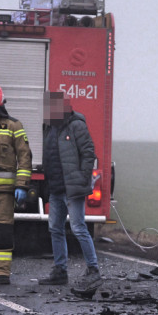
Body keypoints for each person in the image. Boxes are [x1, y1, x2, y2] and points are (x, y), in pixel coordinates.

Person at [38, 92, 100, 287]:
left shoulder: (76, 125)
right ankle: (60, 271)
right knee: (55, 228)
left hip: (72, 188)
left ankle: (93, 269)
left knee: (78, 228)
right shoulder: (49, 127)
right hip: (56, 187)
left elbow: (89, 153)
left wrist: (82, 178)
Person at [0, 84, 33, 285]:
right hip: (5, 192)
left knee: (2, 232)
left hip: (4, 193)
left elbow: (24, 157)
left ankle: (1, 273)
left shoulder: (13, 126)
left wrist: (22, 185)